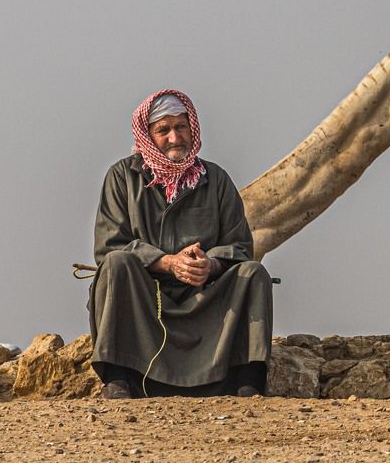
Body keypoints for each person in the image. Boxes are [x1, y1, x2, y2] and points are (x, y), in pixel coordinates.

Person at [89, 89, 272, 400]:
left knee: (253, 274)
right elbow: (109, 245)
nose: (175, 137)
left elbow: (240, 245)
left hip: (205, 296)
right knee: (116, 265)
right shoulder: (122, 177)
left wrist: (209, 265)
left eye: (181, 126)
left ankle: (246, 380)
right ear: (147, 135)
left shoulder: (215, 179)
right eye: (163, 130)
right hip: (147, 298)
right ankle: (120, 378)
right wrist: (167, 262)